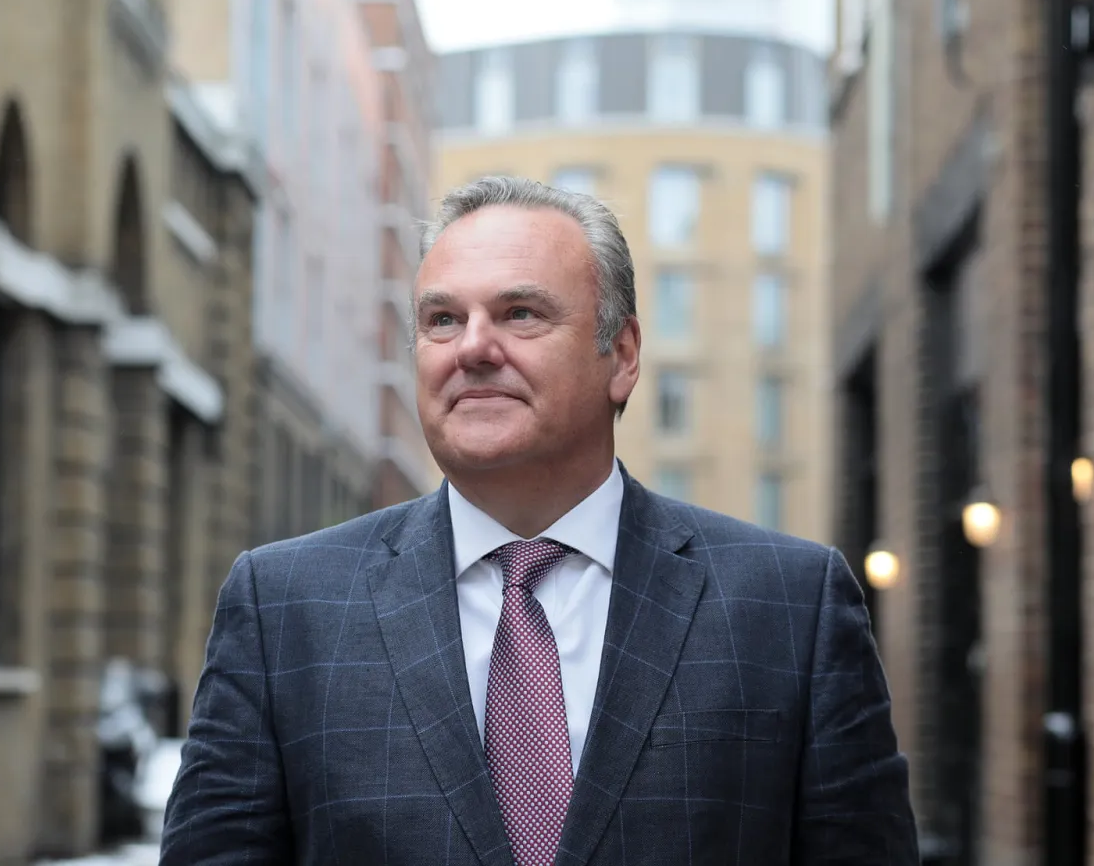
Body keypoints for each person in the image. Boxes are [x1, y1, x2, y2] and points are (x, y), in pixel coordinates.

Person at [160, 176, 918, 865]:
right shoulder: (286, 606)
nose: (474, 348)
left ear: (620, 355)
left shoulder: (790, 608)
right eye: (443, 319)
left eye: (520, 314)